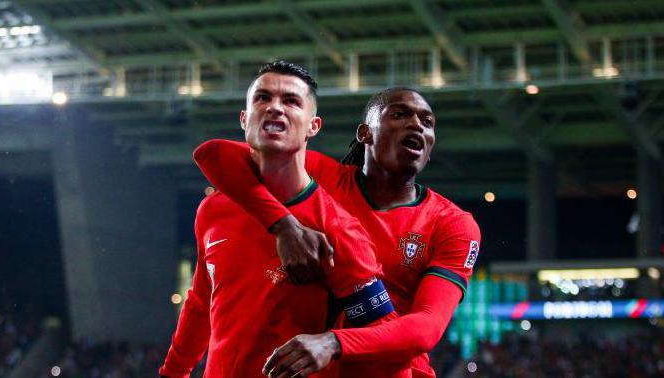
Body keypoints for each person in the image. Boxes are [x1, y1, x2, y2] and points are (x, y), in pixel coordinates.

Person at [194, 86, 481, 378]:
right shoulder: (321, 178)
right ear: (365, 133)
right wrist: (284, 226)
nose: (416, 125)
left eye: (427, 122)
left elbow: (427, 327)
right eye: (399, 114)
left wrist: (333, 342)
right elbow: (214, 154)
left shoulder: (452, 223)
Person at [159, 61, 410, 378]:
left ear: (313, 126)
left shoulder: (339, 230)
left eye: (291, 101)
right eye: (262, 98)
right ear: (244, 119)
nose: (275, 107)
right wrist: (172, 373)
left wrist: (333, 343)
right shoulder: (213, 209)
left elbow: (388, 340)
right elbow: (200, 302)